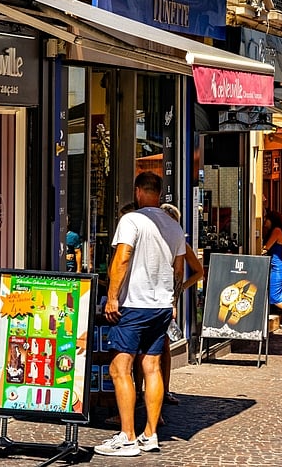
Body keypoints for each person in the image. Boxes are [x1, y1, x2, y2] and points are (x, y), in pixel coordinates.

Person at [95, 172, 185, 457]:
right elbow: (179, 270)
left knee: (119, 369)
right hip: (160, 306)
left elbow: (122, 258)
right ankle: (151, 433)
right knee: (152, 368)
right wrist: (172, 300)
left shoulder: (131, 220)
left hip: (134, 303)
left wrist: (111, 297)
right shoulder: (173, 225)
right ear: (159, 193)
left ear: (137, 191)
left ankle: (128, 435)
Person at [158, 203, 203, 407]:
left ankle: (164, 390)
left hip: (166, 299)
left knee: (163, 347)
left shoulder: (179, 244)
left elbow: (198, 272)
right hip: (155, 298)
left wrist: (180, 289)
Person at [262, 210, 282, 325]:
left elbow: (266, 248)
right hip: (280, 266)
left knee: (274, 296)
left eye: (266, 218)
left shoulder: (276, 230)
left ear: (272, 220)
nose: (264, 221)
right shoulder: (276, 230)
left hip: (277, 268)